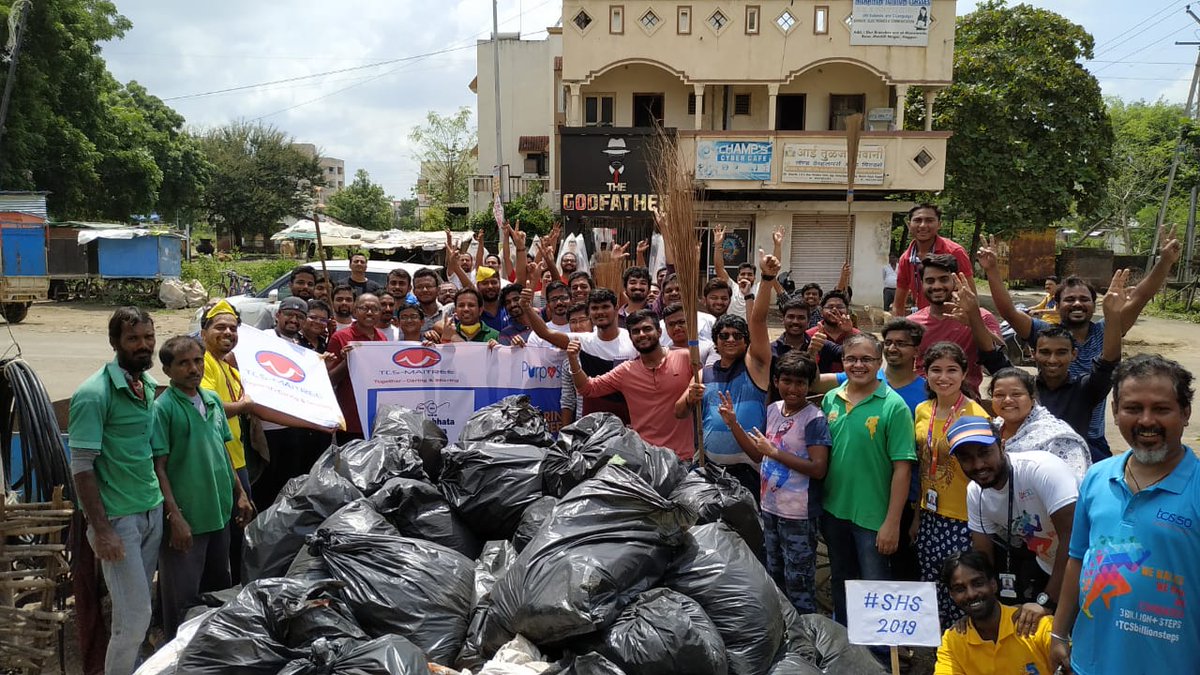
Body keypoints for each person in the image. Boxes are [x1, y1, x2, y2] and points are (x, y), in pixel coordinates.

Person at [1050, 355, 1199, 675]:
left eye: (1161, 409)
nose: (1146, 420)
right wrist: (1059, 633)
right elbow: (1077, 559)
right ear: (1115, 412)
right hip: (1090, 662)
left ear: (1185, 413)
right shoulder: (1097, 476)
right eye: (1133, 408)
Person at [978, 228, 1182, 460]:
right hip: (1041, 433)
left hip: (1091, 436)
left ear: (1094, 306)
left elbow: (1140, 297)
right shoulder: (1046, 334)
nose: (1077, 303)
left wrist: (1165, 261)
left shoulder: (1107, 329)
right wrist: (992, 270)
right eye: (1069, 299)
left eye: (1084, 299)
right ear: (1057, 304)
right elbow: (1009, 311)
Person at [69, 307, 163, 675]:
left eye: (148, 338)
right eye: (133, 339)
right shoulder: (94, 394)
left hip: (149, 512)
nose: (143, 346)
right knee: (133, 618)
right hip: (117, 521)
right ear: (115, 343)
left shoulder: (146, 385)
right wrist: (102, 529)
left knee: (140, 613)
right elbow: (81, 466)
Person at [151, 336, 253, 639]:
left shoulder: (211, 401)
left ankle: (209, 656)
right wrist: (174, 517)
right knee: (181, 602)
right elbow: (159, 467)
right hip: (187, 522)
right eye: (183, 363)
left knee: (216, 595)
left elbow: (223, 452)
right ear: (168, 370)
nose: (193, 368)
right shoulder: (163, 409)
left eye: (197, 361)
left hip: (219, 514)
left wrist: (241, 494)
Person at [718, 351, 830, 614]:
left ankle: (808, 636)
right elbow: (758, 453)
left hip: (798, 514)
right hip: (770, 507)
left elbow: (818, 469)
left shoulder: (814, 419)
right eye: (787, 381)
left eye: (800, 383)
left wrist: (775, 452)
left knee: (799, 580)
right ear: (777, 381)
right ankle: (784, 630)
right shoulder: (773, 409)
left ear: (809, 386)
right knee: (774, 573)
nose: (793, 389)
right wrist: (733, 424)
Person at [821, 333, 916, 624]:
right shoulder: (830, 398)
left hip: (874, 517)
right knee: (841, 579)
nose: (858, 365)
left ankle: (881, 656)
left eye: (866, 359)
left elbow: (903, 468)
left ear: (879, 362)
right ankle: (844, 645)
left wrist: (892, 523)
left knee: (875, 586)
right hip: (834, 511)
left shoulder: (893, 406)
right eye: (851, 359)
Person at [951, 416, 1079, 628]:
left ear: (1002, 445)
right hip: (1049, 566)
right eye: (966, 458)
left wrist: (1047, 600)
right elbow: (983, 557)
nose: (978, 465)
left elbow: (1073, 538)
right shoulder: (975, 494)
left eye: (984, 453)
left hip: (1093, 569)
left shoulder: (1041, 469)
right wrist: (980, 611)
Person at [911, 342, 991, 628]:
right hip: (931, 517)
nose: (943, 377)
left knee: (962, 592)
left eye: (951, 370)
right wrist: (918, 516)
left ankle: (968, 653)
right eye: (936, 370)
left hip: (963, 520)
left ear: (964, 373)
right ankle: (942, 653)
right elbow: (922, 466)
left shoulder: (974, 415)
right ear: (926, 374)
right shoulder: (922, 410)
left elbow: (986, 476)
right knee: (933, 588)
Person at [568, 309, 698, 460]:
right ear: (631, 338)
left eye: (647, 329)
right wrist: (573, 360)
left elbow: (702, 381)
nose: (642, 334)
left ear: (660, 332)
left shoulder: (685, 358)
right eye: (636, 331)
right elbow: (588, 389)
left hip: (682, 459)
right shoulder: (626, 371)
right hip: (644, 460)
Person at [698, 251, 776, 497]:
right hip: (709, 471)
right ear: (715, 342)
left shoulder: (757, 366)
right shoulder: (705, 372)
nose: (730, 340)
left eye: (737, 336)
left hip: (748, 473)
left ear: (747, 341)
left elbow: (759, 321)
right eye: (724, 336)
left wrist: (766, 279)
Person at [524, 287, 636, 422]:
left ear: (616, 308)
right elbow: (545, 333)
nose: (600, 312)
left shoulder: (632, 340)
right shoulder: (583, 342)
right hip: (591, 428)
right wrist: (527, 308)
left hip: (628, 423)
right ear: (589, 312)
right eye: (595, 308)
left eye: (605, 307)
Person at [935, 551, 1055, 675]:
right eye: (960, 589)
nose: (971, 594)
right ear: (952, 595)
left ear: (993, 584)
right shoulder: (953, 641)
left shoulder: (1038, 625)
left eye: (978, 583)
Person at [909, 254, 1001, 397]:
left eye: (944, 279)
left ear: (956, 281)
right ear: (922, 284)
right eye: (930, 281)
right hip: (920, 401)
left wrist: (973, 322)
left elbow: (998, 353)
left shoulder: (981, 316)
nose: (937, 286)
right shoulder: (911, 323)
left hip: (965, 403)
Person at [987, 368, 1091, 479]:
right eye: (999, 395)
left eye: (1016, 394)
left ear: (1032, 398)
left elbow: (1074, 483)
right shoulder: (991, 428)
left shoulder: (1057, 438)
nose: (1007, 400)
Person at [326, 293, 388, 443]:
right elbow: (330, 380)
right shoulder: (340, 337)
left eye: (375, 309)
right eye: (364, 308)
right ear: (354, 311)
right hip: (351, 418)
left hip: (377, 418)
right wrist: (347, 362)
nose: (369, 312)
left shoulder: (383, 338)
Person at [891, 204, 973, 316]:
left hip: (953, 322)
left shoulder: (955, 252)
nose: (923, 225)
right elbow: (898, 305)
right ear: (909, 225)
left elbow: (972, 297)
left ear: (939, 224)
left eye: (929, 220)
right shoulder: (906, 258)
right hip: (923, 322)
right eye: (917, 220)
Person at [557, 302, 593, 427]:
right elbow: (567, 400)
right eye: (573, 322)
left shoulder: (606, 353)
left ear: (592, 321)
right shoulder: (568, 360)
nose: (578, 326)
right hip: (581, 426)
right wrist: (564, 434)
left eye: (583, 320)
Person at [807, 290, 859, 374]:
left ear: (847, 310)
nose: (834, 310)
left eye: (840, 307)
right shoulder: (810, 335)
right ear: (821, 311)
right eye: (829, 307)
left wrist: (849, 333)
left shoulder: (858, 336)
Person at [431, 288, 501, 345]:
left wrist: (498, 351)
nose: (466, 309)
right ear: (455, 310)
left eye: (471, 305)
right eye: (461, 305)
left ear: (480, 310)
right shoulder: (446, 334)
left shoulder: (495, 335)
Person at [661, 303, 715, 367]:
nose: (676, 328)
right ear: (666, 328)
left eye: (681, 322)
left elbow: (710, 373)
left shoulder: (709, 348)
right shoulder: (664, 353)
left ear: (692, 322)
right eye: (671, 324)